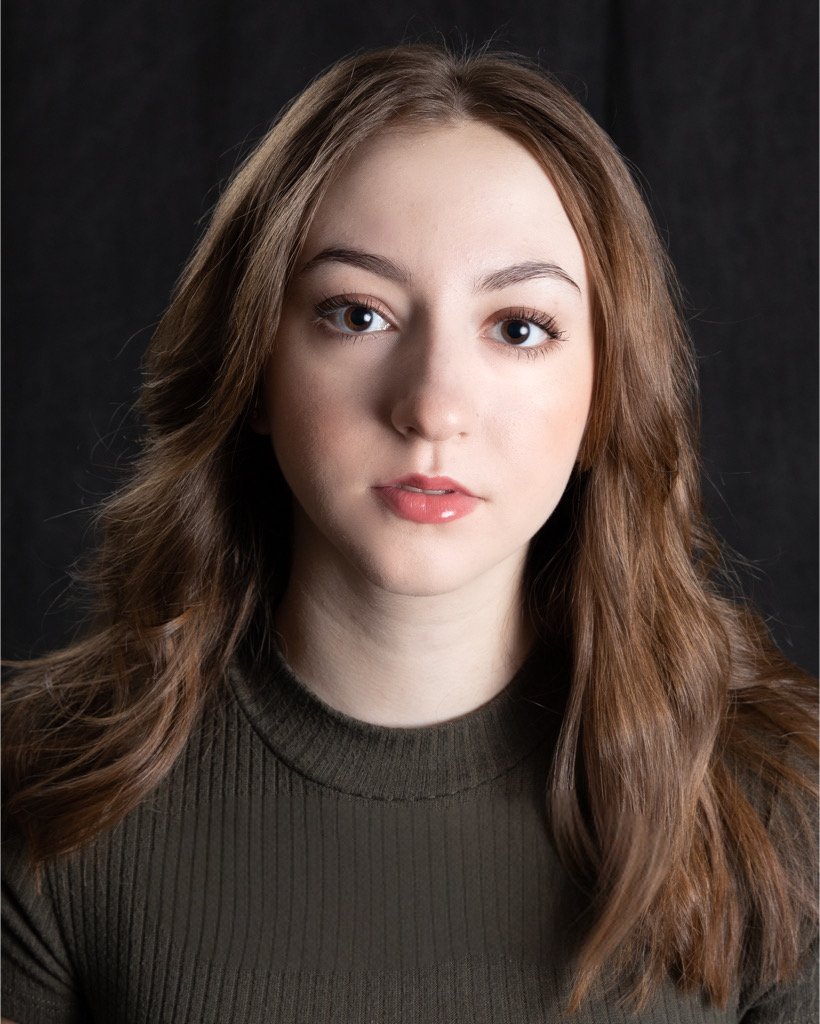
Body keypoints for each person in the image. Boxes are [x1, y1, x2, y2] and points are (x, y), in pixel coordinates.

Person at [2, 43, 816, 1024]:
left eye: (518, 327)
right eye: (359, 314)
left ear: (608, 394)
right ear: (254, 365)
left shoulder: (778, 805)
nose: (432, 406)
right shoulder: (45, 793)